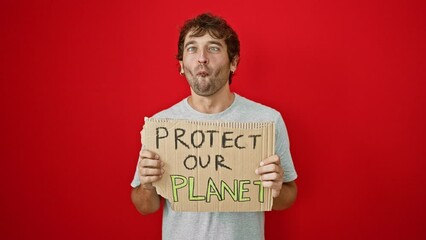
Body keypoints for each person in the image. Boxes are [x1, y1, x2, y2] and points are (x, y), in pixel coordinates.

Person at [131, 13, 298, 240]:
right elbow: (145, 207)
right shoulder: (161, 126)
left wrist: (276, 188)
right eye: (192, 48)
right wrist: (148, 186)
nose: (202, 58)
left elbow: (288, 196)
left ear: (234, 62)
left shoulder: (266, 120)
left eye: (214, 48)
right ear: (181, 65)